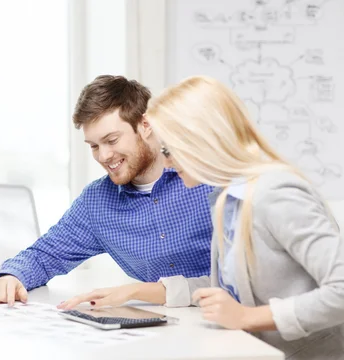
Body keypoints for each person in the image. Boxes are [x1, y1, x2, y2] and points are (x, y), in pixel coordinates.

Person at [146, 75, 344, 359]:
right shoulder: (228, 199)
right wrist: (143, 292)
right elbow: (238, 289)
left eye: (168, 150)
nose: (165, 162)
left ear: (200, 140)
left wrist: (246, 318)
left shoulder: (274, 193)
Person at [0, 75, 214, 308]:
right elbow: (46, 254)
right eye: (94, 146)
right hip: (163, 326)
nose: (103, 156)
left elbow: (244, 277)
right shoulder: (98, 202)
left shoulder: (207, 177)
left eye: (112, 140)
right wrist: (10, 276)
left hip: (228, 322)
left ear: (145, 125)